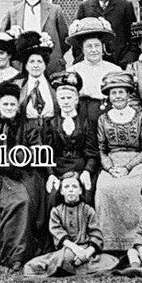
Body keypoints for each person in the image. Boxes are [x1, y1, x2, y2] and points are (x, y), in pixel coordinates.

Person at [0, 81, 44, 271]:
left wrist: (11, 162)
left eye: (12, 104)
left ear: (18, 106)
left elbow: (35, 152)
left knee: (20, 202)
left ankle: (16, 254)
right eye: (5, 104)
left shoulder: (28, 126)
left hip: (20, 174)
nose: (8, 108)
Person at [93, 71, 142, 252]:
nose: (118, 96)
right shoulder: (103, 119)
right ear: (109, 96)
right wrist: (110, 168)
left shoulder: (141, 117)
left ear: (129, 94)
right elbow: (101, 149)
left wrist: (128, 167)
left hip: (137, 163)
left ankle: (139, 240)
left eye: (121, 92)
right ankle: (112, 244)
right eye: (113, 93)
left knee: (136, 187)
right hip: (112, 162)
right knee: (105, 188)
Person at [23, 172, 119, 276]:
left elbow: (96, 235)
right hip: (67, 248)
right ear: (62, 191)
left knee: (110, 261)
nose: (71, 190)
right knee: (34, 265)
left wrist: (86, 253)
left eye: (74, 186)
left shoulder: (88, 210)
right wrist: (75, 249)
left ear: (80, 190)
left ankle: (73, 266)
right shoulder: (56, 211)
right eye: (66, 187)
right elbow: (58, 233)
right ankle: (74, 266)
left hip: (86, 249)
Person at [43, 72, 100, 205]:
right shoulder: (50, 123)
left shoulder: (87, 123)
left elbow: (92, 153)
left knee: (87, 193)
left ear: (77, 100)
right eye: (62, 98)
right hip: (58, 169)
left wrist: (87, 171)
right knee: (52, 196)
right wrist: (51, 174)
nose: (66, 101)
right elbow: (47, 153)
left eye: (69, 97)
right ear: (57, 100)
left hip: (80, 168)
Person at [1, 0, 71, 74]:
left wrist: (53, 54)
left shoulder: (55, 10)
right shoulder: (13, 12)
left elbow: (65, 41)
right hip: (23, 67)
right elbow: (3, 38)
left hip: (51, 67)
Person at [76, 0, 137, 65]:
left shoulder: (125, 6)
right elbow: (77, 40)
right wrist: (83, 61)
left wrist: (126, 61)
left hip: (120, 66)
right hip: (92, 66)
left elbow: (133, 39)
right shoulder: (85, 7)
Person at [66, 17, 120, 123]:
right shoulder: (73, 71)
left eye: (97, 46)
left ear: (103, 47)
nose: (94, 50)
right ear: (82, 49)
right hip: (83, 119)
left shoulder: (114, 70)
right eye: (89, 46)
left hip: (109, 118)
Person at [11, 30, 57, 125]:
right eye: (32, 62)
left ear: (45, 65)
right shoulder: (17, 86)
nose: (36, 65)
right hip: (27, 133)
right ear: (26, 65)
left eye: (39, 62)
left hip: (51, 133)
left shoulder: (54, 85)